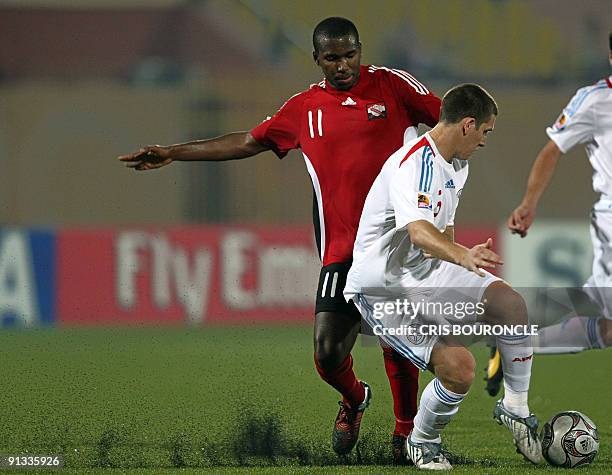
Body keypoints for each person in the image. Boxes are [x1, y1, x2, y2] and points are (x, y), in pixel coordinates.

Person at [118, 17, 441, 460]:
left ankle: (406, 434)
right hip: (343, 253)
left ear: (360, 50)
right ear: (317, 59)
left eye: (349, 54)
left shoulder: (393, 86)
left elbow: (447, 116)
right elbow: (248, 141)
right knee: (327, 353)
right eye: (332, 57)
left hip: (398, 247)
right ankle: (355, 398)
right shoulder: (303, 109)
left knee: (396, 342)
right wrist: (174, 152)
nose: (343, 64)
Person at [345, 84, 542, 469]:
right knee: (460, 368)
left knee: (511, 305)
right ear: (468, 125)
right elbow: (419, 232)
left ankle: (515, 408)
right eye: (486, 131)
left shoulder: (457, 166)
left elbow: (443, 233)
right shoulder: (415, 164)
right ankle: (422, 441)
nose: (486, 140)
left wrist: (458, 270)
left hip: (426, 272)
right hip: (383, 287)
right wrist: (462, 257)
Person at [485, 32, 612, 396]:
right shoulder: (594, 101)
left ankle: (518, 343)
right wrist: (528, 203)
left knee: (607, 327)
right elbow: (552, 151)